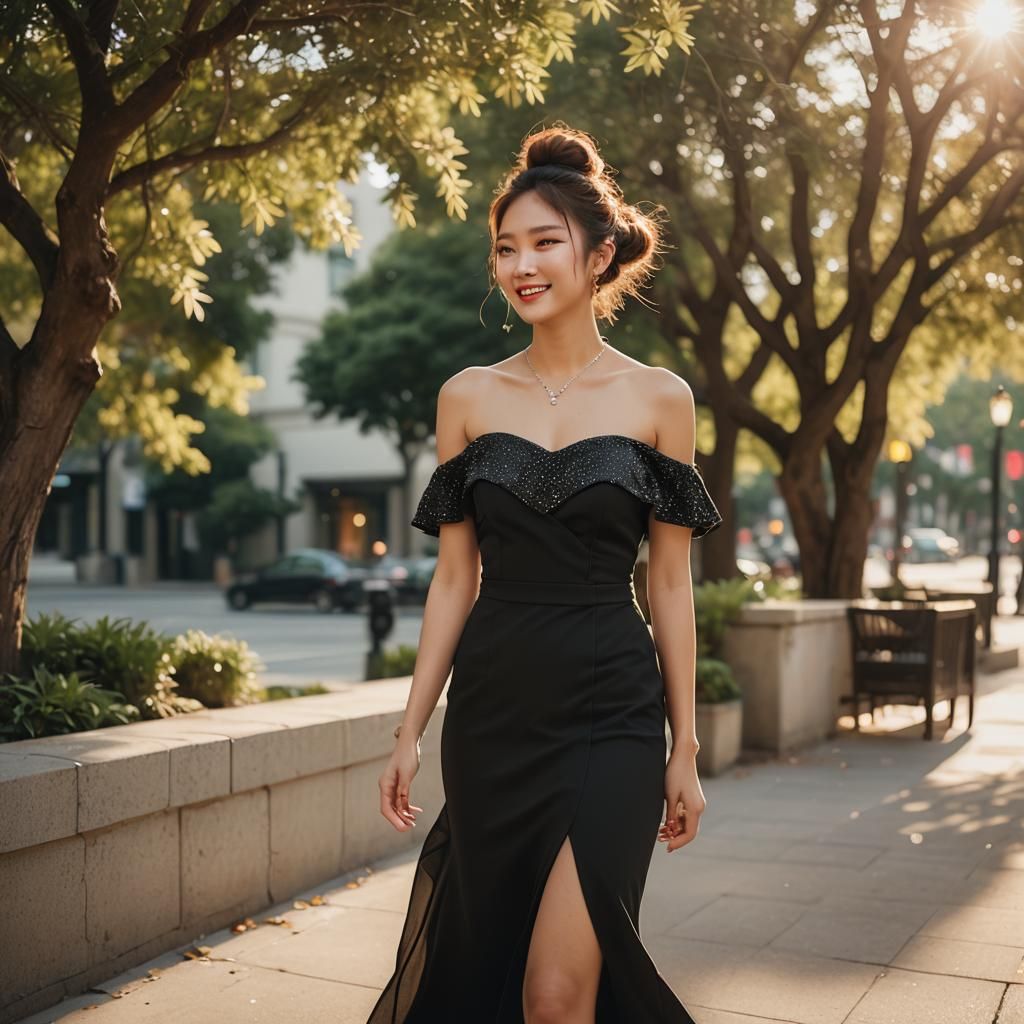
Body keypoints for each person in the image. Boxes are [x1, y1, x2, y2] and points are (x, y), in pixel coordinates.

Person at [366, 123, 724, 1023]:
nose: (522, 266)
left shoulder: (660, 399)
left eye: (544, 243)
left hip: (613, 706)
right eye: (505, 249)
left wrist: (684, 747)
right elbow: (454, 578)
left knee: (559, 993)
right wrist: (410, 728)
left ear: (599, 256)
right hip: (495, 714)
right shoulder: (468, 397)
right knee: (484, 967)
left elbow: (669, 584)